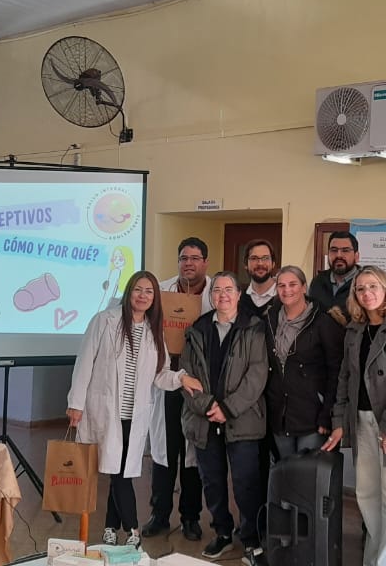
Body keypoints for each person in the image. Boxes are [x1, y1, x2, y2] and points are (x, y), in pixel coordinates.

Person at [67, 270, 201, 548]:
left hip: (135, 415)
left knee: (120, 470)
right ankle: (132, 529)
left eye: (149, 291)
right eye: (138, 289)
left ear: (155, 298)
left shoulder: (154, 331)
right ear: (129, 292)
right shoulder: (105, 320)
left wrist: (181, 378)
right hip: (106, 412)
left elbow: (160, 374)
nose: (143, 296)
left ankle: (110, 528)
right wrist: (75, 404)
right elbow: (84, 363)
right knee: (118, 472)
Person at [325, 266, 386, 566]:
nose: (366, 293)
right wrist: (339, 420)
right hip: (361, 422)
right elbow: (345, 377)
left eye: (373, 286)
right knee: (367, 496)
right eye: (360, 288)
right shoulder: (354, 330)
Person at [182, 272, 269, 565]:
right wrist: (209, 406)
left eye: (229, 289)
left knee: (246, 483)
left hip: (242, 420)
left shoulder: (254, 328)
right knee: (212, 482)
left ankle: (251, 539)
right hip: (204, 420)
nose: (223, 295)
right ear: (211, 296)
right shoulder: (197, 330)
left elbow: (257, 376)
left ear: (239, 294)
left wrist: (227, 408)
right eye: (217, 290)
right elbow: (186, 376)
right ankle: (222, 532)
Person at [145, 237, 211, 541]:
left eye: (195, 258)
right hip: (166, 379)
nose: (189, 264)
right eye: (184, 258)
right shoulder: (162, 291)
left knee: (192, 454)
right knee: (164, 451)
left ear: (205, 263)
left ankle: (190, 517)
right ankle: (159, 514)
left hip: (199, 384)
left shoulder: (215, 293)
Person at [262, 266, 343, 458]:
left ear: (304, 287)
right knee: (285, 471)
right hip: (279, 416)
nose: (287, 290)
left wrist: (328, 414)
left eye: (293, 284)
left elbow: (336, 372)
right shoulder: (269, 320)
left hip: (312, 416)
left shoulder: (323, 322)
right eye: (281, 285)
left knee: (308, 473)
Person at [309, 231, 361, 321]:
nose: (339, 255)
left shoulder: (364, 284)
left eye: (345, 250)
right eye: (334, 250)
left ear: (356, 256)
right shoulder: (318, 281)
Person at [239, 239, 278, 318]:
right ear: (246, 264)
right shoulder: (238, 298)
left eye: (265, 258)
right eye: (254, 258)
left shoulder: (283, 296)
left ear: (273, 263)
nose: (260, 263)